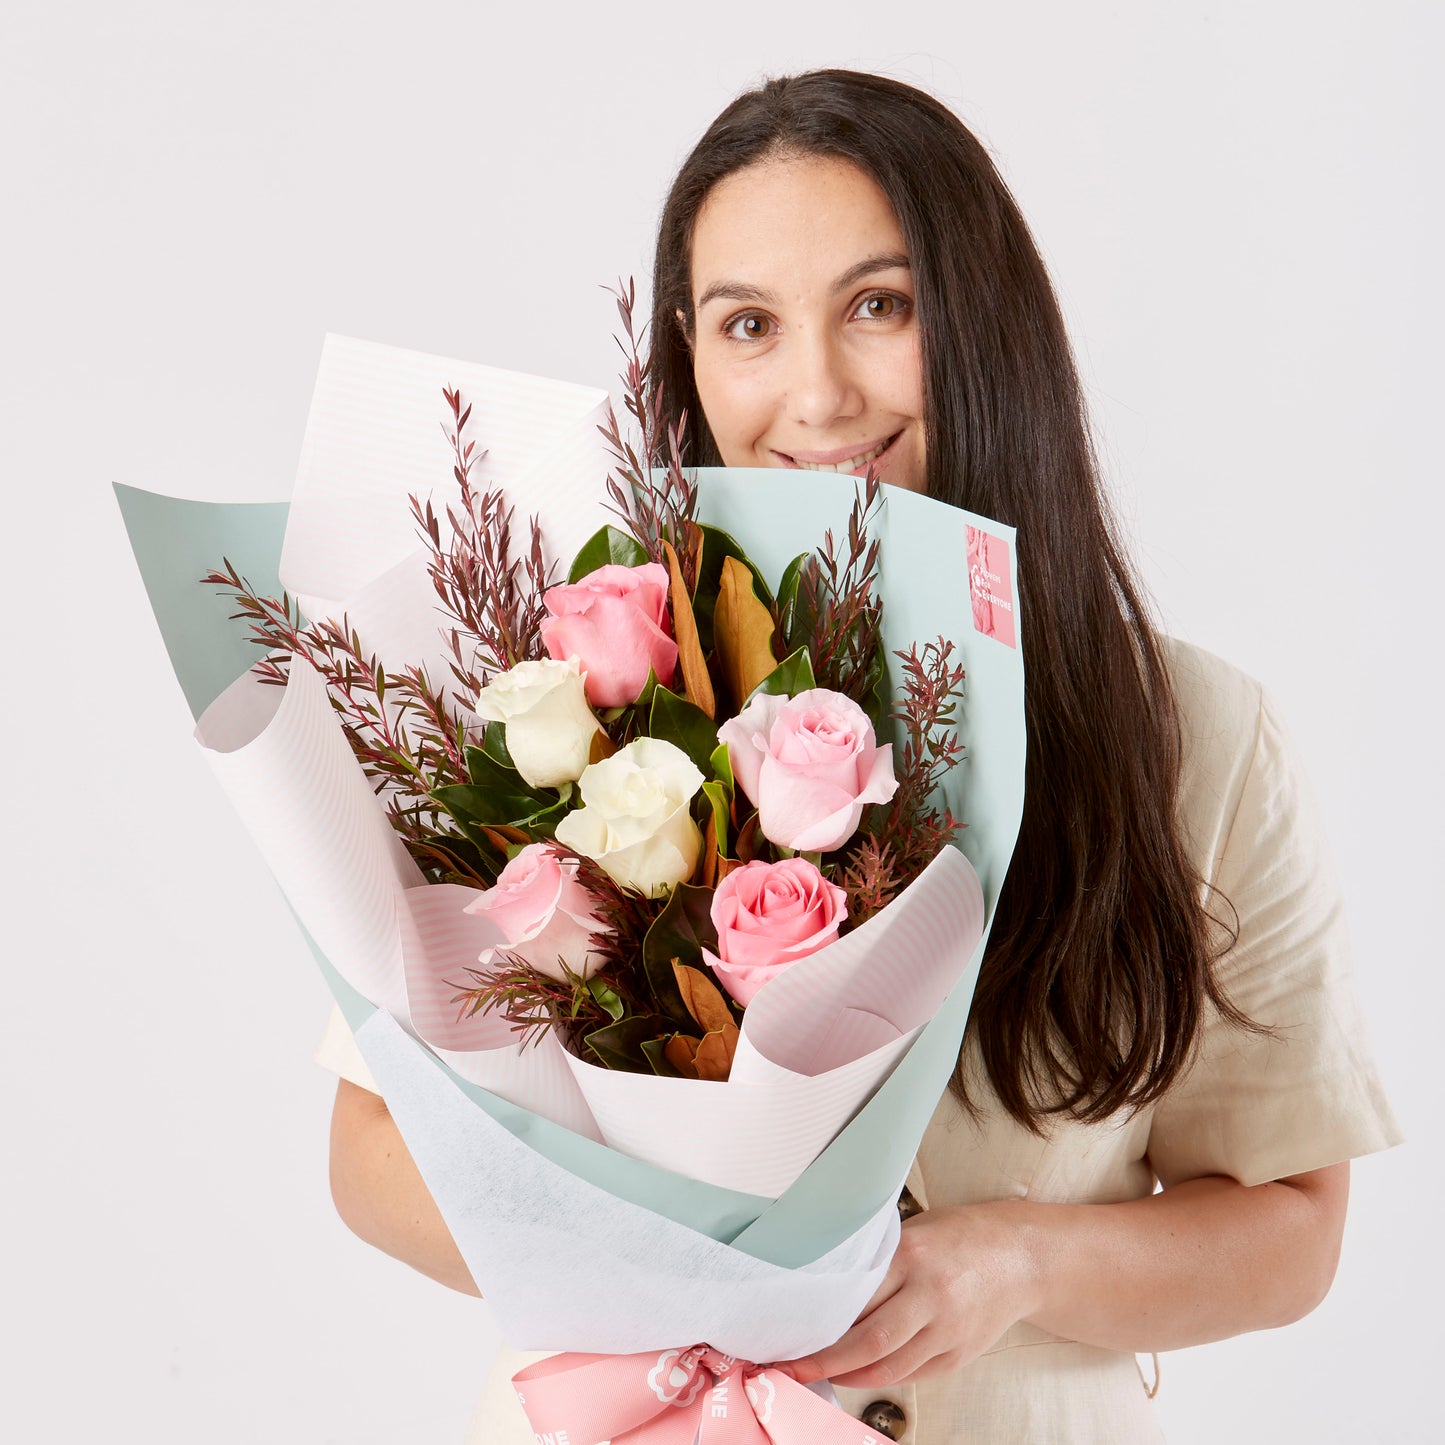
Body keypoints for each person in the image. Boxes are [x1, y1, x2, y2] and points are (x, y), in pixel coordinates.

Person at [320, 69, 1402, 1443]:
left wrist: (1017, 1263)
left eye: (878, 306)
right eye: (748, 324)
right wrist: (676, 1268)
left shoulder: (1194, 737)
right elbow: (372, 1153)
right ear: (687, 361)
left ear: (982, 323)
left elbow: (1292, 1226)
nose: (816, 389)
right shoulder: (569, 690)